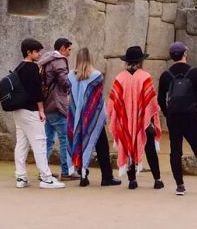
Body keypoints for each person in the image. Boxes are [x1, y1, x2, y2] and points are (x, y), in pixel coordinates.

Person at [158, 42, 197, 196]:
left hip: (173, 117)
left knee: (175, 151)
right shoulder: (195, 73)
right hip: (190, 117)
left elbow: (160, 99)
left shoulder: (166, 75)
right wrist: (195, 109)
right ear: (185, 54)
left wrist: (167, 112)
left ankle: (180, 186)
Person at [107, 46, 164, 190]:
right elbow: (152, 102)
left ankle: (132, 181)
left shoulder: (119, 78)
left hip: (125, 122)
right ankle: (157, 180)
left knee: (128, 146)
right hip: (143, 121)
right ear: (140, 61)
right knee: (150, 148)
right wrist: (151, 119)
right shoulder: (145, 77)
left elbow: (113, 103)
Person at [12, 38, 65, 189]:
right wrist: (41, 110)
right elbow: (37, 92)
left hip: (18, 111)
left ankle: (21, 177)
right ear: (29, 52)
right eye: (37, 51)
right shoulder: (32, 68)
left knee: (22, 143)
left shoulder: (19, 68)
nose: (39, 54)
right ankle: (46, 178)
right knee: (40, 142)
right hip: (30, 110)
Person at [66, 47, 121, 187]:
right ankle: (106, 177)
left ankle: (83, 176)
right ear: (90, 58)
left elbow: (71, 98)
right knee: (102, 146)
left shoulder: (70, 76)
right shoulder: (96, 75)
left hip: (76, 117)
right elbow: (97, 100)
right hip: (93, 118)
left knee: (78, 143)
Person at [38, 37, 78, 181]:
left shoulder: (46, 60)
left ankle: (44, 170)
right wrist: (73, 78)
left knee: (48, 140)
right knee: (65, 139)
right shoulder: (59, 60)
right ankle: (66, 171)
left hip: (47, 103)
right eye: (68, 50)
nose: (69, 53)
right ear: (62, 48)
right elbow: (64, 82)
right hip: (57, 104)